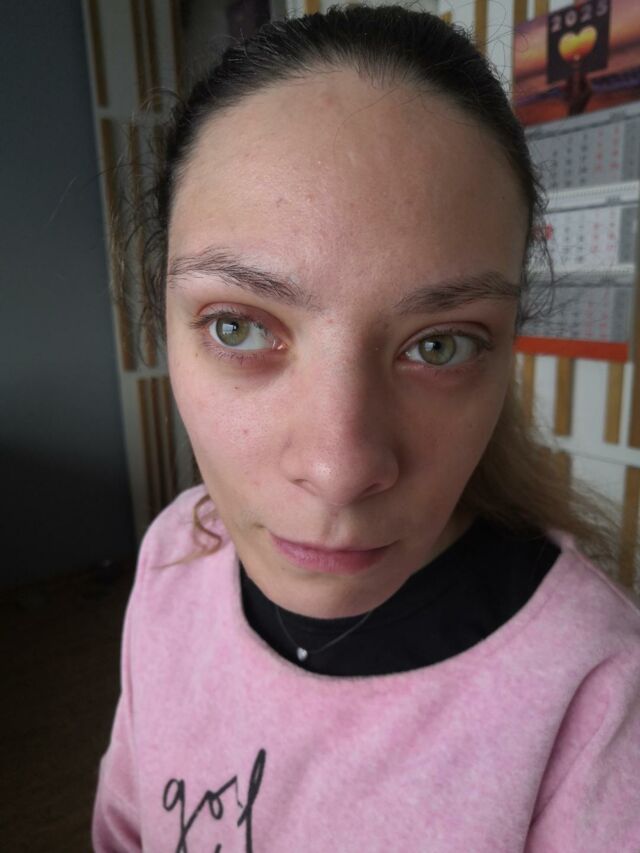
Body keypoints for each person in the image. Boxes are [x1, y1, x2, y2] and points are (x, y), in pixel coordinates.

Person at [92, 5, 640, 851]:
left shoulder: (596, 692)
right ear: (161, 320)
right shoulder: (174, 555)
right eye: (239, 326)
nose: (340, 469)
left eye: (439, 344)